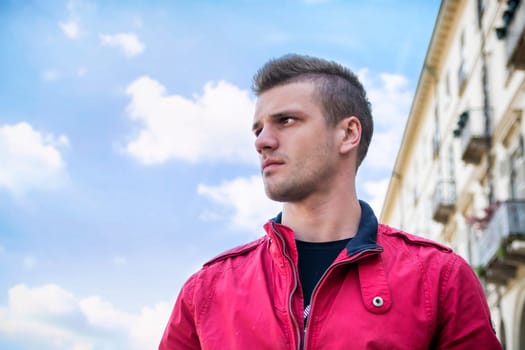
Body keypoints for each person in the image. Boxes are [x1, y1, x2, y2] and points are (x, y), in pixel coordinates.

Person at [159, 54, 502, 349]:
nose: (262, 141)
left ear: (348, 134)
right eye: (257, 129)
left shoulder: (440, 279)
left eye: (286, 120)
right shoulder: (206, 291)